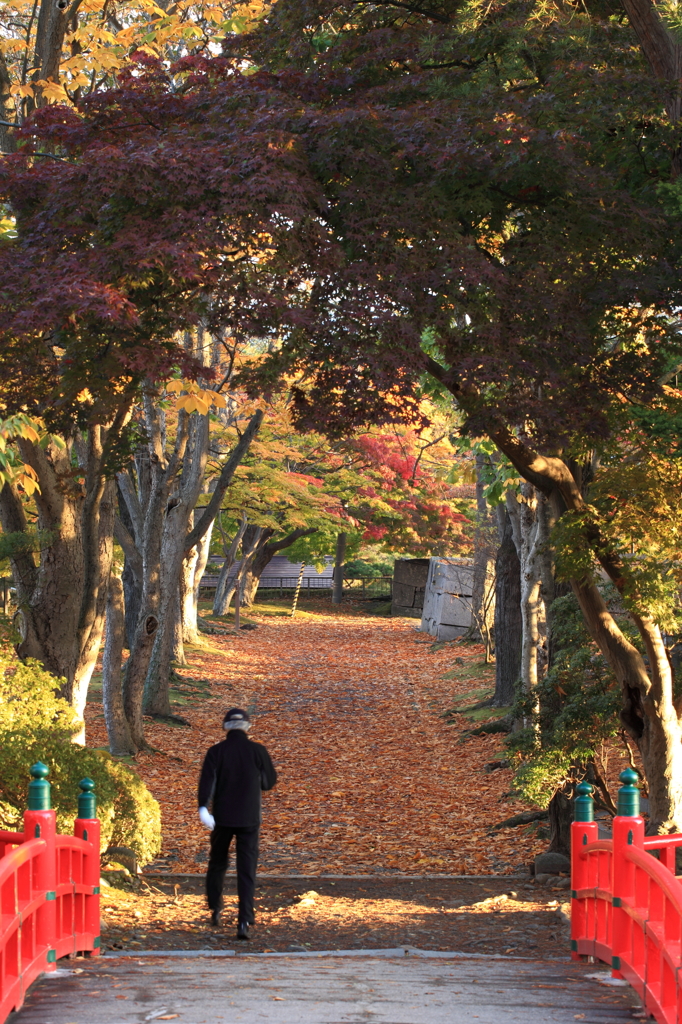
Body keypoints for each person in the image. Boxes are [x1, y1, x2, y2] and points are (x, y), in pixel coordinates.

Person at [197, 707, 277, 939]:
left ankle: (215, 907)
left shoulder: (216, 752)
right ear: (247, 727)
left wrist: (204, 807)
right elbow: (269, 782)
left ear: (225, 727)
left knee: (218, 862)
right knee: (246, 868)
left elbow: (207, 781)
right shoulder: (257, 751)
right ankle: (244, 919)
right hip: (249, 817)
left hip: (221, 817)